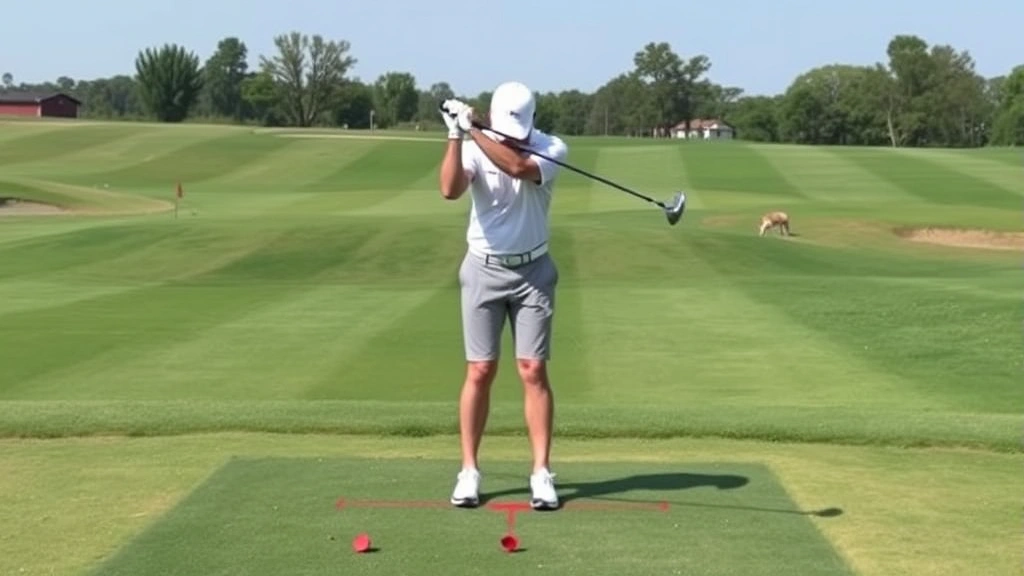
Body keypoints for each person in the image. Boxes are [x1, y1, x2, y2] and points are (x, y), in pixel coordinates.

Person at [438, 81, 568, 511]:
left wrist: (473, 128)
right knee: (480, 370)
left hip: (533, 273)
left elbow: (516, 167)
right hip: (483, 269)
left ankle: (541, 473)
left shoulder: (551, 148)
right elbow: (449, 190)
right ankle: (469, 471)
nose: (514, 137)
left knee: (533, 370)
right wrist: (455, 135)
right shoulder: (475, 145)